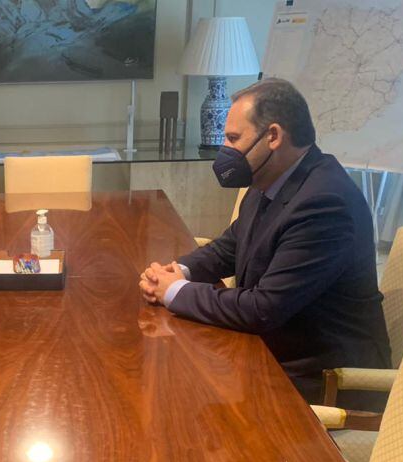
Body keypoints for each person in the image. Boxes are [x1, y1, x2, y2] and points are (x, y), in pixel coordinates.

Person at [139, 78, 390, 406]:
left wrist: (174, 292)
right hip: (272, 349)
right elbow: (229, 246)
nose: (225, 150)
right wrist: (178, 271)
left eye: (233, 138)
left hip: (318, 377)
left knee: (176, 399)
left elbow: (263, 309)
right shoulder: (271, 181)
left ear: (272, 136)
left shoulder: (325, 203)